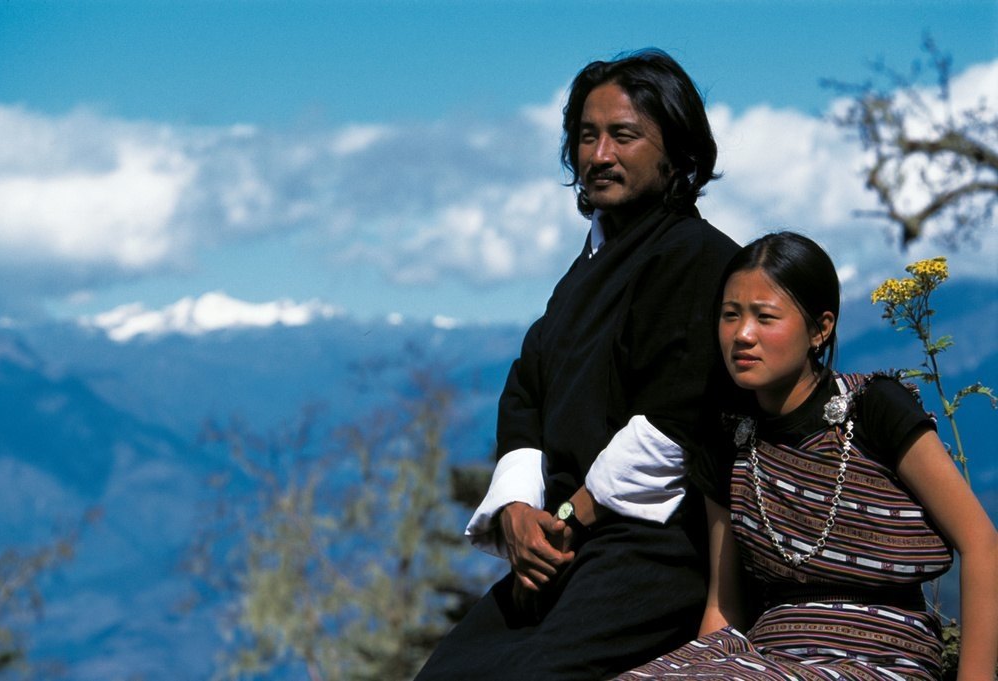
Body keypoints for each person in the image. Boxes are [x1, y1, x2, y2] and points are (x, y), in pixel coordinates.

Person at [414, 49, 739, 680]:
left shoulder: (697, 258)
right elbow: (527, 389)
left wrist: (565, 518)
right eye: (586, 136)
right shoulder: (584, 270)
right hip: (558, 549)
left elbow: (675, 417)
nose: (598, 155)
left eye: (624, 135)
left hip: (648, 551)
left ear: (677, 152)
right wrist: (514, 511)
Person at [616, 231, 998, 680]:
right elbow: (724, 605)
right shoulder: (726, 442)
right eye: (730, 315)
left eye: (765, 317)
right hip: (766, 660)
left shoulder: (874, 409)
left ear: (820, 329)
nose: (742, 335)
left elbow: (980, 544)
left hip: (881, 659)